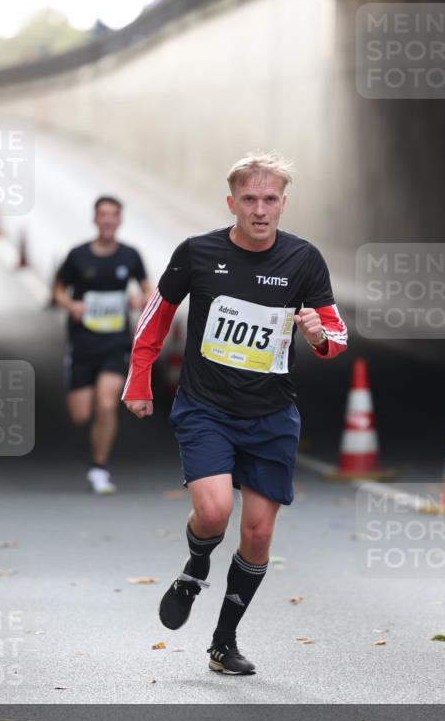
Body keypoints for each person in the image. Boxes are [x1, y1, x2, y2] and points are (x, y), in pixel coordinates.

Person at [123, 153, 347, 675]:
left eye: (271, 200)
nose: (261, 210)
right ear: (232, 203)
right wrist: (139, 379)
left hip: (272, 416)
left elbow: (335, 335)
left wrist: (317, 336)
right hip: (207, 408)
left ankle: (224, 642)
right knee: (214, 511)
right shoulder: (198, 253)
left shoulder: (303, 259)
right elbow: (157, 317)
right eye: (250, 199)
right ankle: (196, 566)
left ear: (283, 204)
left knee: (259, 535)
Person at [54, 196, 152, 493]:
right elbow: (58, 289)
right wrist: (70, 305)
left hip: (116, 341)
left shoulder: (130, 256)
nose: (108, 220)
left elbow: (149, 288)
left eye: (113, 215)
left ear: (119, 220)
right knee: (81, 414)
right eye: (103, 215)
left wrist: (141, 299)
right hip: (83, 342)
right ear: (95, 219)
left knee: (107, 404)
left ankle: (99, 468)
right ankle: (96, 457)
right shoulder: (78, 256)